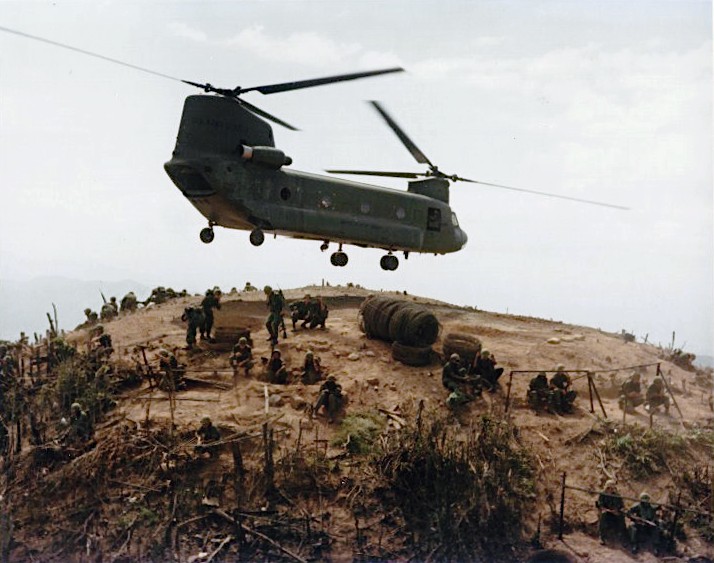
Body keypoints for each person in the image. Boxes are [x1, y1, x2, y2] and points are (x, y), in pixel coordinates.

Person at [596, 480, 626, 545]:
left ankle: (622, 537)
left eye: (612, 488)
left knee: (621, 516)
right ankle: (602, 537)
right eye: (609, 488)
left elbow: (622, 506)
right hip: (606, 512)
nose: (610, 490)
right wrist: (608, 510)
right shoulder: (602, 494)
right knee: (603, 514)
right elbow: (600, 505)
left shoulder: (617, 496)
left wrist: (618, 510)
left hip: (614, 513)